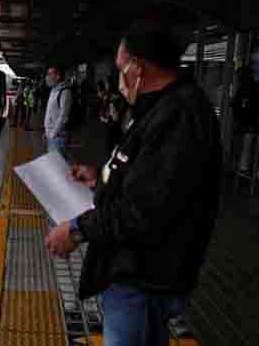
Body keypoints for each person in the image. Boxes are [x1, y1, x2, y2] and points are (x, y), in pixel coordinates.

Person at [44, 21, 222, 346]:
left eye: (120, 68)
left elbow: (144, 210)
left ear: (138, 67)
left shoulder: (179, 115)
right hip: (136, 274)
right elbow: (151, 179)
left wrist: (75, 231)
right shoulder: (160, 107)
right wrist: (100, 177)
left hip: (143, 280)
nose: (118, 78)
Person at [44, 65, 71, 159]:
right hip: (51, 136)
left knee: (58, 167)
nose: (47, 77)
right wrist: (47, 132)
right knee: (52, 165)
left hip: (58, 138)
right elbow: (50, 113)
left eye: (49, 74)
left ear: (58, 76)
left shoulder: (65, 92)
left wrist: (52, 134)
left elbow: (63, 116)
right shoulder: (53, 91)